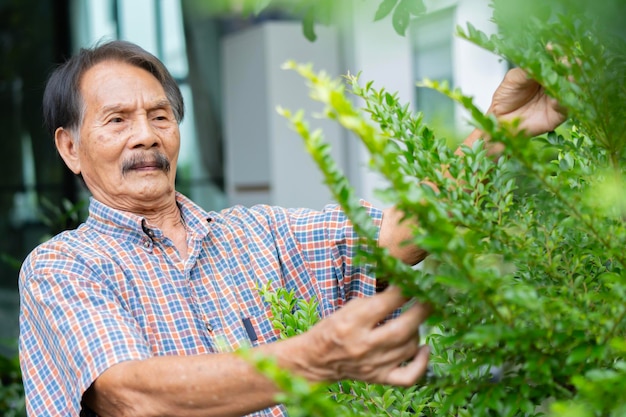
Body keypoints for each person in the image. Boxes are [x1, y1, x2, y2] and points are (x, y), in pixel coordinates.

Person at [18, 40, 565, 417]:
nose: (147, 136)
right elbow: (129, 395)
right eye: (118, 120)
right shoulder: (60, 267)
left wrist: (498, 131)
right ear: (69, 147)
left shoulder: (261, 234)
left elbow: (399, 234)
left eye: (160, 117)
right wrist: (315, 356)